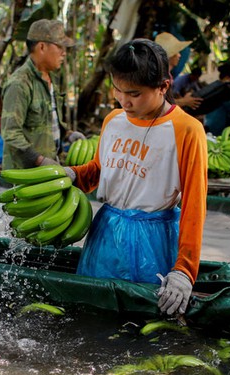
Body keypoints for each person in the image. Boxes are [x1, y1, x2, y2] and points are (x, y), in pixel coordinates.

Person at [64, 39, 207, 317]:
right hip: (106, 235)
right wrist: (72, 175)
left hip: (153, 238)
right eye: (117, 90)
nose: (123, 100)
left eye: (134, 93)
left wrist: (184, 270)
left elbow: (195, 204)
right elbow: (100, 170)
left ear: (164, 86)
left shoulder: (187, 131)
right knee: (92, 314)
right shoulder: (113, 120)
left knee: (144, 322)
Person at [1, 19, 83, 170]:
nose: (64, 53)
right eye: (59, 47)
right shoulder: (20, 84)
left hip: (50, 169)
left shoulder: (52, 79)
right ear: (42, 47)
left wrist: (68, 134)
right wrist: (38, 160)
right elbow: (11, 133)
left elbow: (48, 121)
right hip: (26, 175)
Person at [154, 32, 202, 111]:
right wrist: (184, 101)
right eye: (177, 52)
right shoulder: (160, 75)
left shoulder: (167, 75)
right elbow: (157, 103)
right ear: (170, 55)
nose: (179, 55)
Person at [204, 63, 230, 136]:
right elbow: (229, 105)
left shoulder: (216, 85)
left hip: (210, 121)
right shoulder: (223, 89)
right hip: (217, 123)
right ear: (227, 77)